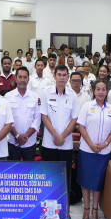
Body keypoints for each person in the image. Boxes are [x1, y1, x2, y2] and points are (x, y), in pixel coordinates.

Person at [77, 80, 111, 219]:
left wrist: (105, 144)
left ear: (106, 91)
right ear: (94, 91)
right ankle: (86, 208)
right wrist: (91, 144)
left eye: (103, 89)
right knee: (86, 180)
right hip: (87, 149)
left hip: (103, 151)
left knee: (98, 181)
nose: (101, 92)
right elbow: (81, 126)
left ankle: (95, 210)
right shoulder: (87, 106)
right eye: (98, 89)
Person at [40, 65, 80, 203]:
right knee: (49, 175)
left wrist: (62, 136)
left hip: (66, 143)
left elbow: (74, 119)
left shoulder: (72, 95)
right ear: (54, 76)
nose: (62, 78)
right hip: (49, 142)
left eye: (64, 75)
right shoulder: (46, 93)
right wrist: (55, 135)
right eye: (59, 75)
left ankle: (63, 206)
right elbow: (44, 116)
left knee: (65, 176)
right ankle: (47, 204)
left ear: (68, 77)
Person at [6, 67, 41, 161]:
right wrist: (17, 136)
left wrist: (26, 136)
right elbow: (7, 120)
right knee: (12, 169)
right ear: (15, 78)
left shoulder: (36, 97)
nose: (22, 80)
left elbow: (37, 119)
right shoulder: (8, 97)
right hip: (13, 142)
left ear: (28, 79)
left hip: (30, 142)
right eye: (20, 77)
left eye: (25, 77)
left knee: (29, 169)